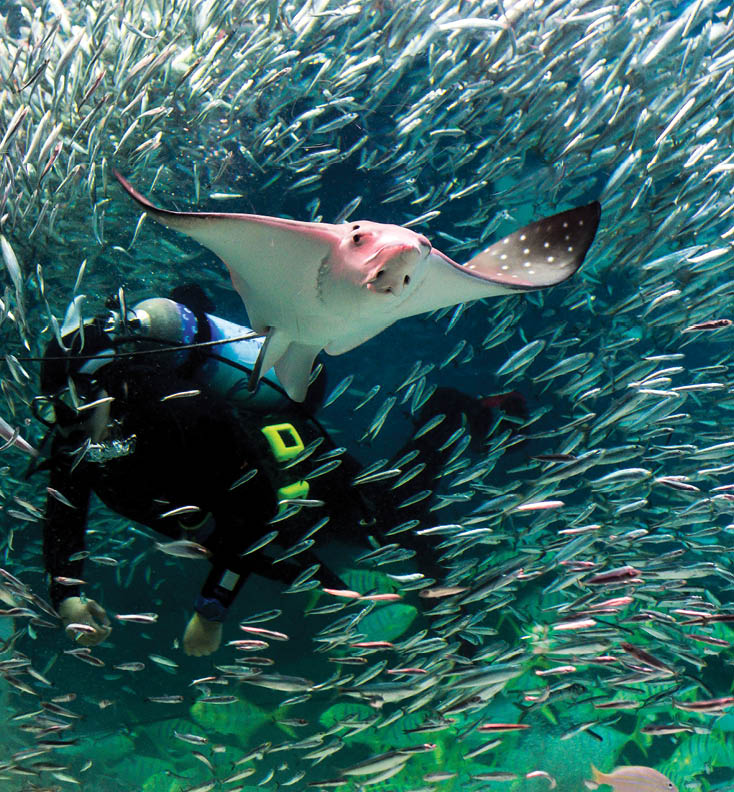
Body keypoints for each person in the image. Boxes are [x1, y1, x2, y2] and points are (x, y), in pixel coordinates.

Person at [34, 286, 526, 656]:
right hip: (253, 526)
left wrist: (213, 609)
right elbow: (65, 505)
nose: (71, 432)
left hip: (306, 483)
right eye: (58, 415)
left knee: (396, 519)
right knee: (366, 548)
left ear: (103, 392)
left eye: (75, 412)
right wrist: (67, 593)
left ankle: (452, 414)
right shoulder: (76, 429)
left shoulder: (177, 413)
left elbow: (253, 513)